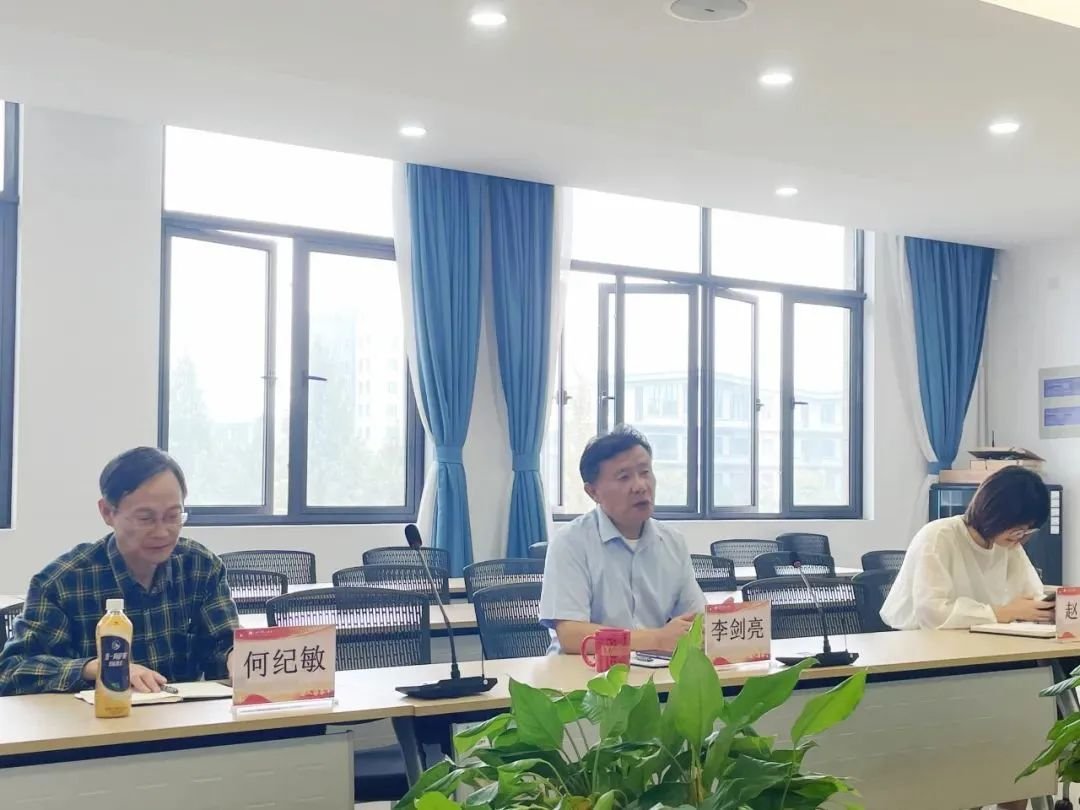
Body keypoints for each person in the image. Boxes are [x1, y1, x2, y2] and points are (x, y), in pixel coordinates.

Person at [0, 447, 239, 696]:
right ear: (107, 512)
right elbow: (11, 671)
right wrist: (98, 668)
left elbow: (223, 643)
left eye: (173, 516)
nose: (162, 532)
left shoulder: (200, 567)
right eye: (145, 518)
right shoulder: (62, 582)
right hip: (96, 719)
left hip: (184, 716)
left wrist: (235, 657)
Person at [539, 425, 706, 654]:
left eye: (645, 472)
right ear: (593, 492)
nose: (640, 486)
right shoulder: (570, 543)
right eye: (624, 477)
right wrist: (656, 639)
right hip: (584, 671)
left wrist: (718, 620)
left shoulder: (673, 542)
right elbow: (572, 635)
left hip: (653, 670)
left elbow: (695, 617)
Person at [881, 466, 1052, 631]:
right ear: (995, 512)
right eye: (1018, 529)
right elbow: (932, 613)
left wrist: (1048, 609)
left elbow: (1031, 594)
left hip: (971, 636)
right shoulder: (938, 537)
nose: (1021, 538)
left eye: (1027, 531)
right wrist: (1004, 612)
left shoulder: (1006, 544)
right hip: (916, 638)